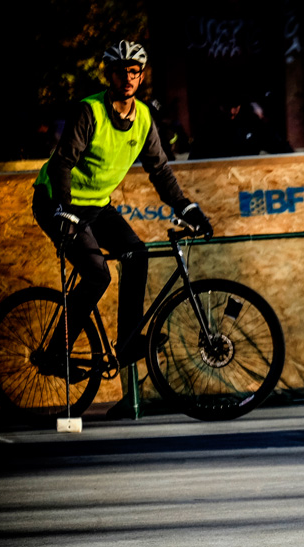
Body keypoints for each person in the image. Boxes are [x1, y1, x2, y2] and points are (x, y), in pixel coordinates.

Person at [32, 39, 213, 415]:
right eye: (120, 71)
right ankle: (55, 354)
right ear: (109, 75)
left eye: (134, 71)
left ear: (141, 76)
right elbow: (63, 163)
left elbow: (159, 169)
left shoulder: (144, 117)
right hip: (57, 202)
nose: (127, 78)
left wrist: (186, 206)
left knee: (137, 253)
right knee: (97, 275)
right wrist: (65, 210)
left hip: (96, 205)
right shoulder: (90, 111)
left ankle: (128, 343)